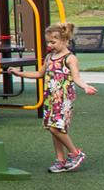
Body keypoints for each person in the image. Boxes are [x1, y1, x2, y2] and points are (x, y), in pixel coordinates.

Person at [15, 22, 98, 172]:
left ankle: (75, 153)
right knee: (52, 128)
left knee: (56, 128)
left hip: (64, 97)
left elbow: (76, 77)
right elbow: (39, 74)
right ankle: (60, 159)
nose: (50, 45)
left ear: (65, 40)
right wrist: (19, 73)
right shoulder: (49, 57)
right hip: (50, 98)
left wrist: (85, 86)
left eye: (53, 42)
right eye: (48, 42)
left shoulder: (70, 58)